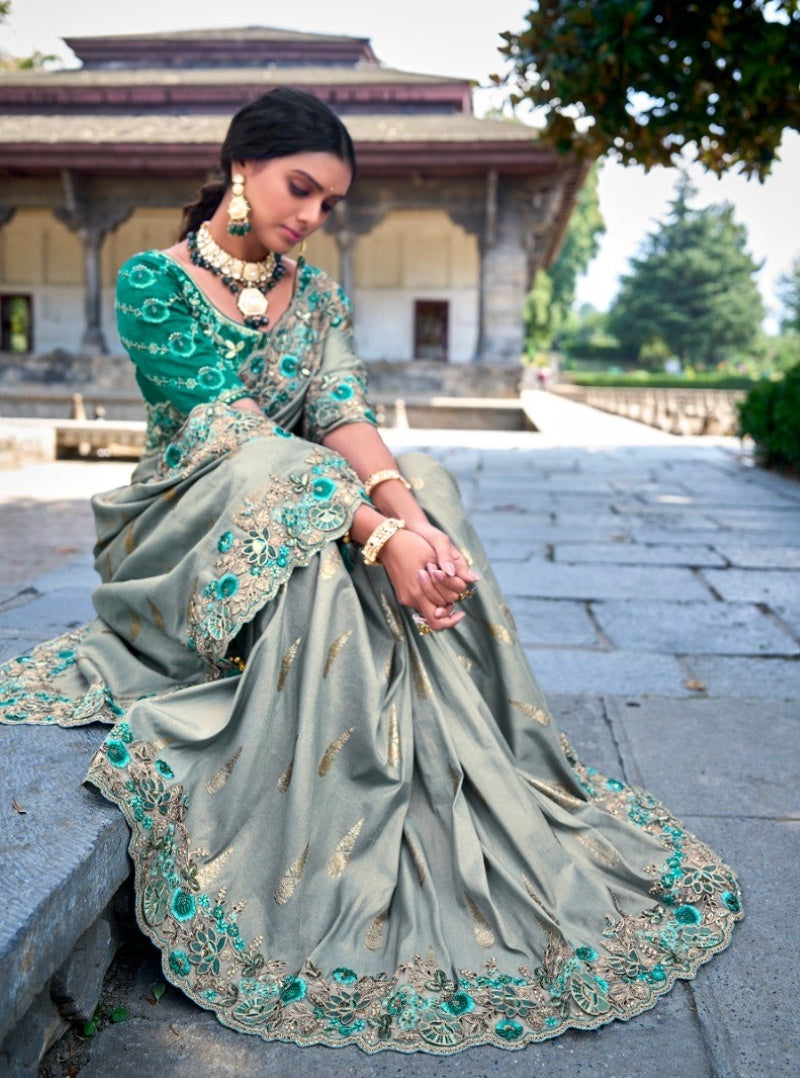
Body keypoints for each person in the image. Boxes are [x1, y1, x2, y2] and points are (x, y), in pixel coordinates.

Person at [0, 88, 741, 1055]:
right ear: (241, 168)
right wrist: (374, 536)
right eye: (298, 189)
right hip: (188, 519)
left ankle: (452, 731)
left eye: (328, 204)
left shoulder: (316, 295)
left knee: (421, 476)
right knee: (296, 472)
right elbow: (230, 432)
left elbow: (343, 414)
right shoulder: (154, 282)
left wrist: (414, 525)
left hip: (301, 494)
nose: (309, 217)